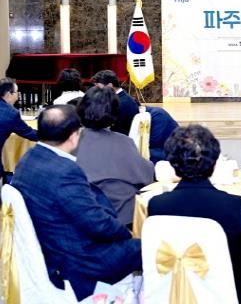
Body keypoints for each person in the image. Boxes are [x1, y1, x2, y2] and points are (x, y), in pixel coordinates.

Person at [11, 105, 142, 300]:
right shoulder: (64, 171)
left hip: (51, 246)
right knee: (147, 248)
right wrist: (126, 233)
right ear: (74, 136)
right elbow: (97, 223)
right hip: (77, 260)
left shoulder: (27, 158)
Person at [149, 125, 241, 304]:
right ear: (214, 161)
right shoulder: (232, 205)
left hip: (173, 290)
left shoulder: (157, 205)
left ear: (173, 163)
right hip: (230, 295)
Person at [75, 87, 155, 225]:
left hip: (82, 217)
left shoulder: (69, 141)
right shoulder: (124, 142)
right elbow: (147, 176)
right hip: (122, 218)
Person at [0, 77, 37, 181]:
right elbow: (31, 134)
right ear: (9, 94)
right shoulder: (10, 114)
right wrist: (50, 132)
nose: (17, 96)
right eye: (16, 92)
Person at [92, 69, 139, 135]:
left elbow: (116, 131)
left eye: (99, 87)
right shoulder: (124, 97)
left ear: (110, 85)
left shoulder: (119, 103)